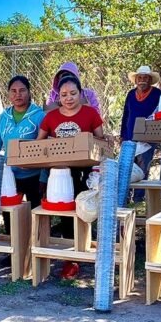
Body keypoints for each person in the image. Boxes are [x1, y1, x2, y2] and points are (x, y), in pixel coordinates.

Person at [38, 74, 107, 280]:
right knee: (64, 210)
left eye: (73, 93)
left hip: (84, 172)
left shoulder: (90, 113)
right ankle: (70, 259)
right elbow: (38, 143)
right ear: (58, 96)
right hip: (59, 172)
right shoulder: (50, 117)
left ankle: (83, 252)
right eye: (64, 94)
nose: (68, 98)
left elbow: (101, 141)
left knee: (83, 209)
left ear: (81, 93)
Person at [0, 75, 45, 208]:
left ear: (29, 92)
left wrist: (44, 177)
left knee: (36, 214)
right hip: (9, 175)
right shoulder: (4, 117)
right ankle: (11, 230)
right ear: (9, 94)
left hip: (34, 175)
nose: (18, 94)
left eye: (22, 90)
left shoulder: (39, 115)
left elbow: (46, 148)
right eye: (13, 91)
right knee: (10, 214)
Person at [121, 65, 161, 202]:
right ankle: (124, 197)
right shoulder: (131, 94)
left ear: (150, 80)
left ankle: (139, 199)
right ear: (136, 80)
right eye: (140, 78)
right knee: (126, 167)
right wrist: (122, 134)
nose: (142, 80)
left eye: (145, 78)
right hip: (129, 136)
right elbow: (126, 114)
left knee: (143, 167)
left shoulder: (157, 94)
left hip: (147, 137)